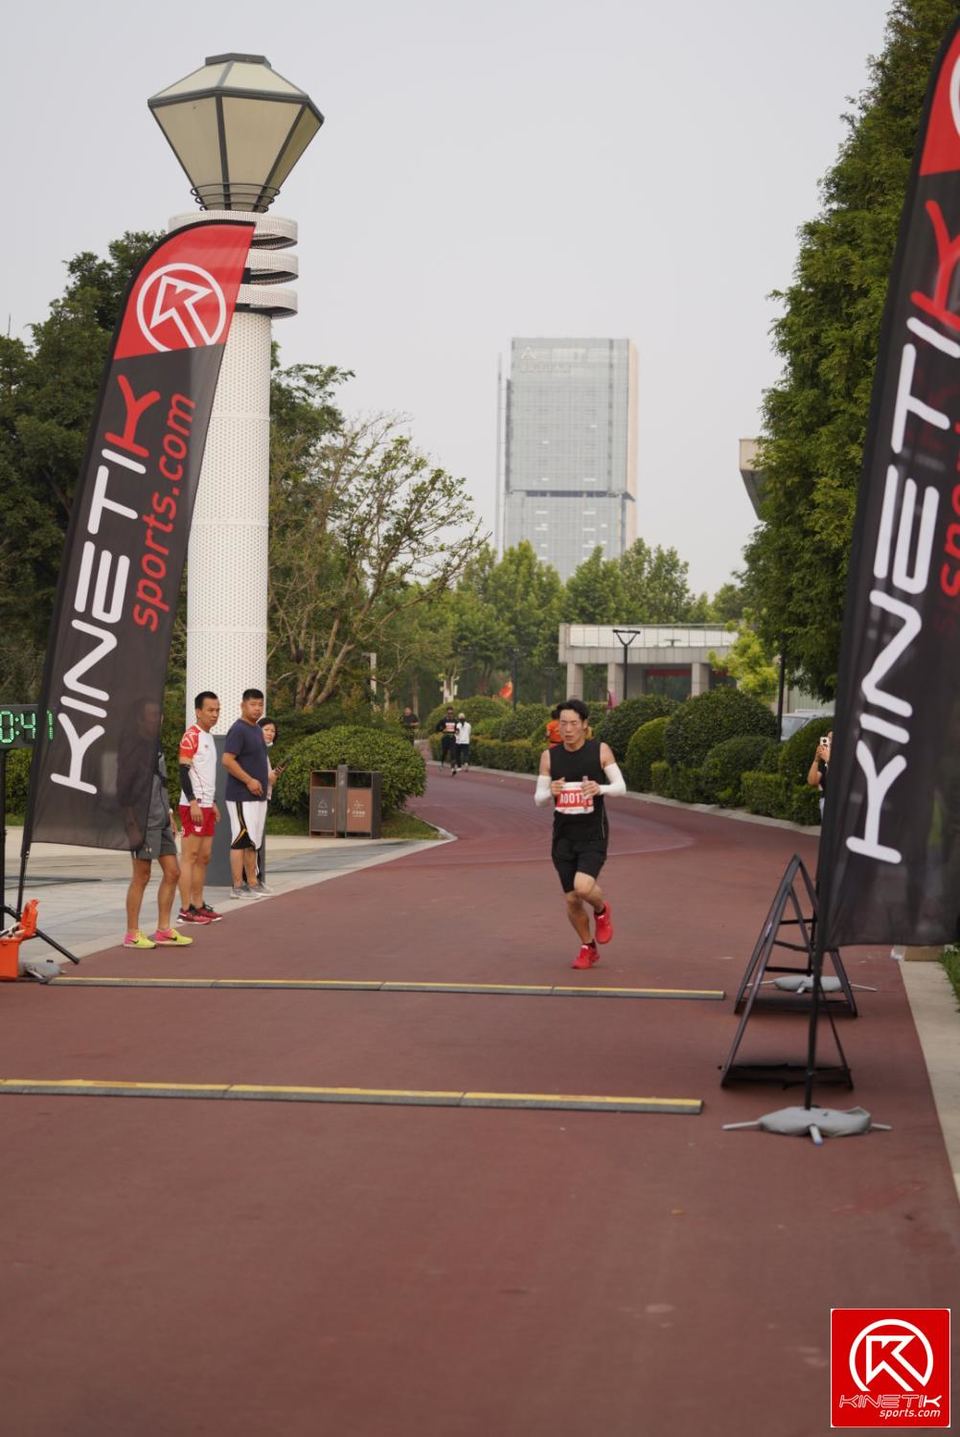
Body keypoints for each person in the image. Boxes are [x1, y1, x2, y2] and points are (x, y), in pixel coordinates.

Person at [534, 697, 626, 969]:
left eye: (574, 723)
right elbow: (538, 799)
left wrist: (600, 788)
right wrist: (549, 792)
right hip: (563, 837)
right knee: (572, 899)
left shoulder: (600, 751)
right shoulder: (549, 757)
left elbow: (621, 787)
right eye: (563, 724)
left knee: (583, 887)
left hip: (593, 834)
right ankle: (588, 947)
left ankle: (601, 910)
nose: (568, 729)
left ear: (585, 724)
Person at [118, 699, 193, 950]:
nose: (157, 719)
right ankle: (132, 933)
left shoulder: (155, 744)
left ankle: (163, 930)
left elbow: (160, 783)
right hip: (142, 820)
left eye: (159, 715)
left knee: (173, 872)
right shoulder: (132, 747)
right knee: (142, 875)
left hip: (160, 817)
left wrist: (169, 814)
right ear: (140, 719)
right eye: (152, 715)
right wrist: (131, 823)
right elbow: (123, 789)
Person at [177, 691, 223, 925]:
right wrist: (193, 801)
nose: (215, 714)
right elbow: (183, 772)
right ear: (198, 711)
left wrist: (211, 803)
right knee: (190, 856)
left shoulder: (209, 737)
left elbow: (205, 775)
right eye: (210, 710)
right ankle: (185, 909)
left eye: (217, 710)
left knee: (204, 857)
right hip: (192, 806)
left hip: (206, 805)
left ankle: (198, 904)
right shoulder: (191, 736)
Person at [222, 689, 271, 899]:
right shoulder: (238, 729)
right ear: (243, 705)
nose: (257, 708)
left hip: (258, 796)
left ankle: (253, 882)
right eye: (253, 704)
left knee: (253, 840)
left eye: (260, 704)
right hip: (241, 795)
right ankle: (237, 886)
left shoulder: (257, 730)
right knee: (241, 839)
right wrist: (249, 780)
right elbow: (227, 760)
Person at [256, 716, 283, 886]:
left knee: (257, 841)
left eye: (273, 731)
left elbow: (269, 779)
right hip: (254, 799)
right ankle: (251, 880)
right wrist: (271, 776)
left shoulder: (263, 751)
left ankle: (256, 879)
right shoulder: (256, 751)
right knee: (252, 841)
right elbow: (261, 776)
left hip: (263, 798)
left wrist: (274, 775)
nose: (270, 733)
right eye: (266, 729)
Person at [807, 730, 832, 820]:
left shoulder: (847, 758)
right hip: (826, 800)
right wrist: (816, 760)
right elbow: (812, 781)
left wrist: (829, 760)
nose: (830, 742)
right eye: (828, 739)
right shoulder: (824, 762)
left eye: (833, 739)